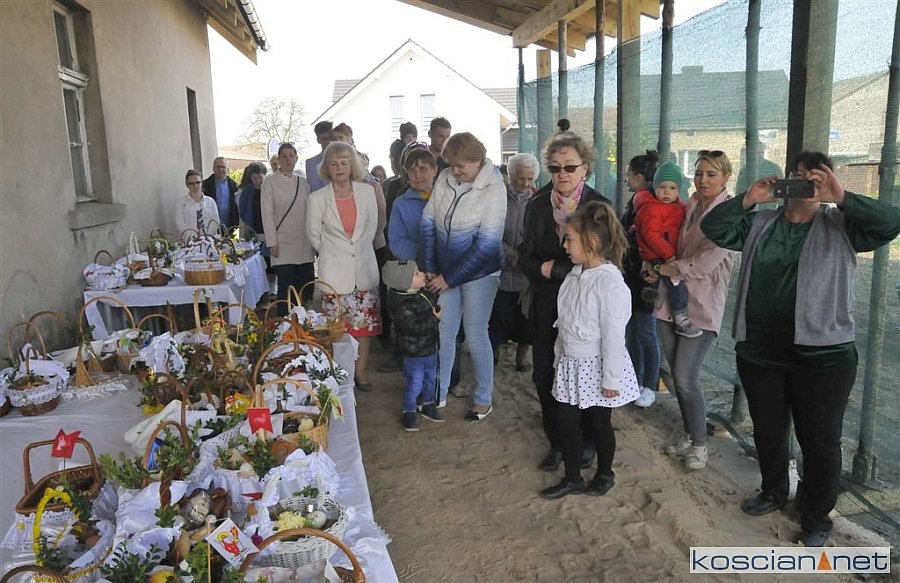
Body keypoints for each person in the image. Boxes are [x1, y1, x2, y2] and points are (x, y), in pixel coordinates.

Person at [701, 151, 900, 547]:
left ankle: (816, 516)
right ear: (785, 181)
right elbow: (713, 228)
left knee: (820, 441)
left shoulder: (842, 225)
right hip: (761, 352)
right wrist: (747, 199)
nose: (806, 183)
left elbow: (891, 222)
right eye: (798, 175)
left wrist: (842, 198)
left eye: (816, 178)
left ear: (827, 183)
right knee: (769, 430)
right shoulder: (760, 223)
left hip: (823, 358)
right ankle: (773, 491)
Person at [519, 122, 612, 472]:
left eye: (570, 167)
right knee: (545, 375)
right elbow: (525, 254)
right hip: (546, 304)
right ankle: (557, 442)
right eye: (555, 167)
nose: (562, 174)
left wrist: (556, 269)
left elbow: (608, 260)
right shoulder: (537, 205)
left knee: (584, 376)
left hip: (586, 308)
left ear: (585, 167)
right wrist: (540, 268)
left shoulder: (599, 207)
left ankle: (586, 443)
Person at [643, 149, 737, 471]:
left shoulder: (729, 215)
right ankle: (690, 433)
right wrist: (655, 266)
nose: (703, 180)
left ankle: (700, 446)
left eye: (711, 174)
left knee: (685, 378)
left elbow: (705, 262)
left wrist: (667, 268)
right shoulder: (691, 204)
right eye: (698, 173)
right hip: (671, 300)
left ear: (726, 177)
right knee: (675, 374)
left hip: (702, 306)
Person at [540, 201, 640, 499]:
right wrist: (559, 356)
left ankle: (605, 473)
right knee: (567, 422)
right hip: (570, 364)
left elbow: (613, 336)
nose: (564, 245)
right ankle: (572, 478)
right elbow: (564, 320)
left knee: (599, 424)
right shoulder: (574, 274)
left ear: (592, 241)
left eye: (569, 239)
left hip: (596, 366)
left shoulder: (610, 283)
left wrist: (610, 378)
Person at [421, 132, 506, 421]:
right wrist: (430, 265)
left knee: (475, 333)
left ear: (478, 160)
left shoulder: (494, 186)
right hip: (444, 271)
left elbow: (487, 243)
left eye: (461, 165)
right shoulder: (444, 178)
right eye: (452, 164)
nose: (455, 171)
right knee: (444, 332)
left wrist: (449, 278)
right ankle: (439, 393)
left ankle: (483, 399)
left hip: (481, 272)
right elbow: (428, 220)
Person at [307, 141, 382, 393]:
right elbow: (314, 235)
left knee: (364, 327)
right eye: (333, 163)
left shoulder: (367, 192)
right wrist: (334, 253)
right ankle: (341, 374)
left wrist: (356, 250)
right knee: (337, 330)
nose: (339, 168)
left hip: (364, 269)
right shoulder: (317, 199)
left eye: (344, 162)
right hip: (334, 274)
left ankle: (361, 374)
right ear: (326, 168)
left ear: (352, 165)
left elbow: (372, 228)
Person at [635, 161, 700, 339]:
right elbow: (651, 235)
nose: (666, 192)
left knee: (661, 286)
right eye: (662, 187)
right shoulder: (652, 209)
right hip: (657, 255)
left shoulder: (678, 207)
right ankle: (680, 318)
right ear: (655, 188)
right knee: (675, 281)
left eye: (672, 188)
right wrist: (670, 255)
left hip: (666, 253)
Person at [489, 152, 539, 372]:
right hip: (499, 268)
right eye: (521, 178)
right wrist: (506, 252)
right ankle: (494, 352)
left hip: (525, 272)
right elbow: (489, 231)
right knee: (496, 315)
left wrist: (523, 256)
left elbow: (539, 237)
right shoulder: (497, 198)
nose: (526, 184)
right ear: (510, 175)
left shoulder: (538, 202)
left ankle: (522, 356)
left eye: (530, 179)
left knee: (525, 318)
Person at [382, 259, 444, 430]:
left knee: (431, 380)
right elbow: (415, 328)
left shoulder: (417, 293)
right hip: (414, 354)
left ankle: (427, 405)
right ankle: (409, 411)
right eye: (417, 273)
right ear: (405, 283)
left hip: (429, 348)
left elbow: (428, 302)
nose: (422, 274)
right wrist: (434, 319)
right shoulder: (402, 305)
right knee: (415, 383)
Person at [620, 150, 661, 408]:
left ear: (638, 176)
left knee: (646, 330)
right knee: (633, 330)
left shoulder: (648, 204)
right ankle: (634, 379)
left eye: (628, 175)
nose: (625, 179)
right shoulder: (637, 202)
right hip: (633, 275)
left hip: (646, 276)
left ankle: (650, 384)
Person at [261, 143, 315, 316]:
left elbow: (311, 212)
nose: (288, 160)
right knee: (286, 288)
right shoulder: (270, 182)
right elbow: (267, 214)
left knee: (305, 287)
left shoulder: (304, 183)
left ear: (296, 158)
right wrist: (272, 242)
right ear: (279, 159)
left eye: (291, 156)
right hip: (282, 243)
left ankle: (305, 322)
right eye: (284, 156)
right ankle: (284, 324)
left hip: (304, 243)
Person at [176, 169, 219, 234]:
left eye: (198, 182)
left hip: (209, 238)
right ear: (187, 185)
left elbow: (216, 221)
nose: (195, 185)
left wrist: (205, 234)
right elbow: (179, 223)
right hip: (189, 238)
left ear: (202, 183)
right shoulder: (181, 203)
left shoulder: (211, 202)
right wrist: (194, 234)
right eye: (191, 183)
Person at [202, 156, 239, 228]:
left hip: (229, 226)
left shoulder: (234, 187)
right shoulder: (205, 185)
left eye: (223, 167)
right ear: (213, 169)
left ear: (227, 169)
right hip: (209, 225)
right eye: (217, 167)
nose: (220, 169)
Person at [305, 120, 334, 192]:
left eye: (332, 138)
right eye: (325, 139)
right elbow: (316, 191)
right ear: (318, 140)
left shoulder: (347, 158)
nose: (330, 142)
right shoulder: (312, 163)